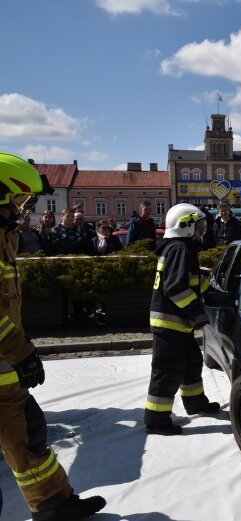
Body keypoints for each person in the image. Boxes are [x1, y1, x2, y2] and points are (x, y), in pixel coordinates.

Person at [0, 153, 106, 520]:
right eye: (17, 201)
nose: (22, 210)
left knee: (27, 437)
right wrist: (21, 353)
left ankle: (54, 505)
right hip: (7, 362)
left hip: (5, 371)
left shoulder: (3, 239)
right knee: (23, 438)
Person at [145, 203, 220, 435]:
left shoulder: (179, 247)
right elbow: (176, 289)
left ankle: (195, 403)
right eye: (198, 225)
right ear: (185, 225)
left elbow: (192, 280)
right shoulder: (179, 249)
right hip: (171, 322)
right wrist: (197, 313)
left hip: (176, 322)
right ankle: (156, 420)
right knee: (166, 371)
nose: (201, 229)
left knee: (191, 363)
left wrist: (215, 293)